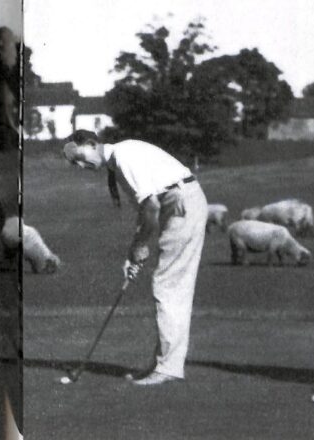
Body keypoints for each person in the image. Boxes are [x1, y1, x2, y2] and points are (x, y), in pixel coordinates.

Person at [62, 130, 208, 386]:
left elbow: (151, 207)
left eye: (80, 157)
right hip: (178, 201)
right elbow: (145, 213)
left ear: (92, 143)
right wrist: (135, 253)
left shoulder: (123, 156)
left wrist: (140, 247)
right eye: (75, 163)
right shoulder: (118, 161)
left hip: (181, 202)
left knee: (169, 284)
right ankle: (163, 363)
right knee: (169, 283)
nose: (81, 166)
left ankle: (168, 368)